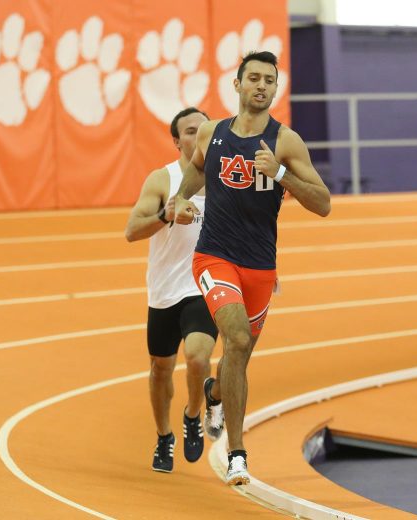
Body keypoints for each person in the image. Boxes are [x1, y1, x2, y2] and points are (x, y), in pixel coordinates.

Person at [171, 51, 331, 485]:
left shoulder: (286, 141)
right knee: (236, 337)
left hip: (260, 266)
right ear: (237, 85)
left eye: (269, 81)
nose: (261, 86)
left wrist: (279, 172)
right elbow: (195, 173)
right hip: (214, 256)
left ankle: (215, 392)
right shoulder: (212, 132)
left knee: (237, 356)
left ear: (275, 89)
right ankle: (238, 454)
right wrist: (179, 200)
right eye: (254, 78)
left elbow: (323, 204)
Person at [124, 107, 218, 473]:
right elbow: (132, 230)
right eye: (191, 131)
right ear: (178, 141)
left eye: (204, 130)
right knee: (161, 369)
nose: (200, 136)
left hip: (203, 284)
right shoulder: (163, 179)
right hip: (165, 290)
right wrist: (165, 214)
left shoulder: (224, 179)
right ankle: (164, 436)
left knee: (197, 357)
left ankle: (193, 413)